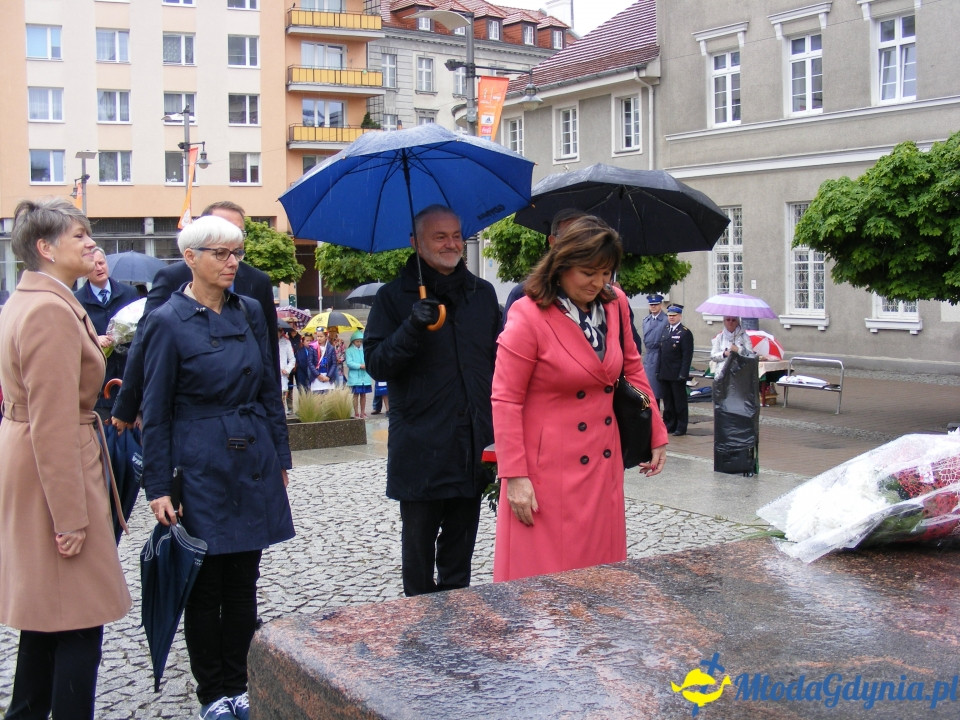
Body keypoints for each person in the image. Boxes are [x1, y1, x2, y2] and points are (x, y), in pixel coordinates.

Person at [139, 215, 294, 720]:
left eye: (237, 253)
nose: (233, 263)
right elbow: (156, 409)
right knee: (204, 587)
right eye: (221, 254)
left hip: (251, 456)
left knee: (244, 580)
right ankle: (213, 692)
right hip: (198, 461)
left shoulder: (249, 310)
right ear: (191, 258)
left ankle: (241, 682)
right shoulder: (167, 320)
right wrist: (158, 484)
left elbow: (270, 387)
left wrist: (280, 457)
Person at [0, 198, 131, 720]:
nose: (90, 245)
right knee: (78, 619)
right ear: (45, 248)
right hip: (54, 468)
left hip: (36, 462)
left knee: (46, 616)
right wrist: (71, 518)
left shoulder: (32, 301)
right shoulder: (51, 310)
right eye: (80, 236)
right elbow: (53, 422)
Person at [491, 216, 669, 583]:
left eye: (606, 273)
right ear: (561, 264)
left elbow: (633, 371)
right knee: (545, 586)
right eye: (589, 272)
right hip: (546, 472)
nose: (598, 282)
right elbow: (505, 400)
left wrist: (656, 430)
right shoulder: (528, 314)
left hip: (602, 463)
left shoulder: (614, 303)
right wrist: (515, 476)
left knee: (600, 577)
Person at [364, 204, 500, 597]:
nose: (451, 243)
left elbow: (499, 365)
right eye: (440, 236)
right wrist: (412, 326)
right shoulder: (393, 298)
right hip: (422, 447)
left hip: (472, 445)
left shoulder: (482, 293)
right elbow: (376, 364)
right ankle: (421, 630)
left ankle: (455, 629)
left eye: (456, 235)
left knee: (460, 557)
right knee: (419, 556)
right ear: (416, 242)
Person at [111, 201, 279, 431]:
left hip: (245, 413)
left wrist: (274, 423)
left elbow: (268, 350)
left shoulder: (257, 281)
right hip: (193, 411)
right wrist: (126, 406)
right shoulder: (172, 277)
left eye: (239, 232)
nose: (230, 239)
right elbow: (144, 340)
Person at [74, 246, 139, 419]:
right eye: (93, 264)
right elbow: (73, 339)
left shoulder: (129, 293)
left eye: (101, 263)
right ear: (84, 271)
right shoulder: (77, 301)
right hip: (100, 385)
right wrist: (94, 339)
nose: (99, 268)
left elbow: (142, 330)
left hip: (128, 376)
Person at [501, 208, 585, 328]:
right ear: (552, 241)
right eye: (568, 237)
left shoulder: (603, 297)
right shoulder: (525, 293)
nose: (576, 245)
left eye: (583, 237)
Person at [657, 303, 694, 436]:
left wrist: (683, 374)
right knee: (668, 402)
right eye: (669, 315)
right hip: (665, 372)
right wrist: (658, 370)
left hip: (677, 373)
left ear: (680, 316)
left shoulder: (685, 333)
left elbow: (686, 356)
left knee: (679, 402)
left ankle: (681, 426)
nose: (671, 318)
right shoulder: (666, 330)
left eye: (674, 315)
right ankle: (669, 424)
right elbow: (661, 352)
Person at [641, 293, 667, 402]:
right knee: (648, 388)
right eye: (651, 304)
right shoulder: (646, 320)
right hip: (649, 356)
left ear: (660, 305)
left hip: (660, 356)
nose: (653, 307)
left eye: (656, 304)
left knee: (659, 389)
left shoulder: (665, 320)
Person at [345, 330, 372, 418]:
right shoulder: (349, 350)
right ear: (353, 341)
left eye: (360, 341)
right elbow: (349, 363)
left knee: (363, 395)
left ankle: (363, 412)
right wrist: (360, 366)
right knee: (355, 395)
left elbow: (369, 359)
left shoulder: (364, 349)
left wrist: (367, 365)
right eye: (357, 341)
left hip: (365, 376)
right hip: (355, 377)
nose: (359, 343)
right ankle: (356, 412)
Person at [311, 328, 337, 393]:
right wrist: (318, 375)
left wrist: (329, 376)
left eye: (321, 336)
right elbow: (310, 363)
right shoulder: (313, 347)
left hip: (327, 376)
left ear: (326, 337)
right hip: (316, 377)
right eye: (318, 336)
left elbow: (334, 363)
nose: (319, 338)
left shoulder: (331, 348)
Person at [278, 325, 296, 412]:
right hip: (271, 376)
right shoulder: (267, 341)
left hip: (282, 376)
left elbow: (292, 360)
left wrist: (287, 369)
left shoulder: (286, 342)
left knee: (282, 400)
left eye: (278, 331)